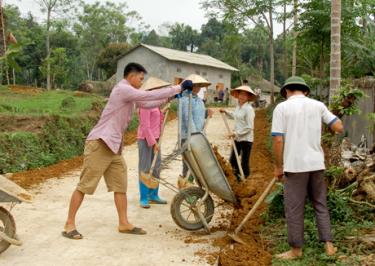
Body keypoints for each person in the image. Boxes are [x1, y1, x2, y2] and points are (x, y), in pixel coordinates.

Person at [62, 63, 191, 239]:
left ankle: (123, 223)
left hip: (114, 147)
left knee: (120, 186)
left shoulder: (130, 94)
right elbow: (146, 95)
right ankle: (69, 224)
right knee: (85, 185)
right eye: (140, 78)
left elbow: (147, 103)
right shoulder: (122, 89)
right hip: (100, 143)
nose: (141, 81)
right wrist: (179, 86)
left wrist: (173, 96)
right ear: (131, 76)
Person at [271, 76, 343, 260]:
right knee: (320, 204)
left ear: (286, 91)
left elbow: (278, 139)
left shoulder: (282, 108)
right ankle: (329, 246)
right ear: (305, 91)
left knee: (294, 208)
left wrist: (278, 167)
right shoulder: (317, 105)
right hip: (316, 164)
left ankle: (296, 250)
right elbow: (338, 126)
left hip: (295, 166)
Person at [137, 77, 171, 208]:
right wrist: (153, 143)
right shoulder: (145, 104)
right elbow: (145, 127)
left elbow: (155, 119)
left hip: (156, 138)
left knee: (156, 167)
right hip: (145, 139)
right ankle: (144, 197)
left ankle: (154, 194)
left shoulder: (155, 103)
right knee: (145, 168)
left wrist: (162, 112)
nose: (159, 92)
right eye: (157, 90)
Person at [178, 74, 212, 189]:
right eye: (195, 86)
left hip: (198, 136)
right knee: (188, 163)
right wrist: (194, 136)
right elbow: (188, 119)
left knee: (197, 164)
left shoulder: (199, 100)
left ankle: (191, 186)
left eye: (199, 86)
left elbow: (199, 115)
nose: (197, 88)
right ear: (189, 87)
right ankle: (186, 187)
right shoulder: (184, 100)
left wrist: (207, 112)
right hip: (188, 136)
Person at [220, 85, 256, 180]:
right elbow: (235, 116)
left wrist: (236, 133)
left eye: (245, 95)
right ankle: (236, 178)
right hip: (237, 138)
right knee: (233, 160)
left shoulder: (249, 109)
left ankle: (245, 179)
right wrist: (226, 112)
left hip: (246, 139)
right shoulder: (238, 107)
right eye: (241, 94)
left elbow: (249, 127)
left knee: (244, 162)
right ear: (238, 95)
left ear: (248, 97)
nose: (242, 97)